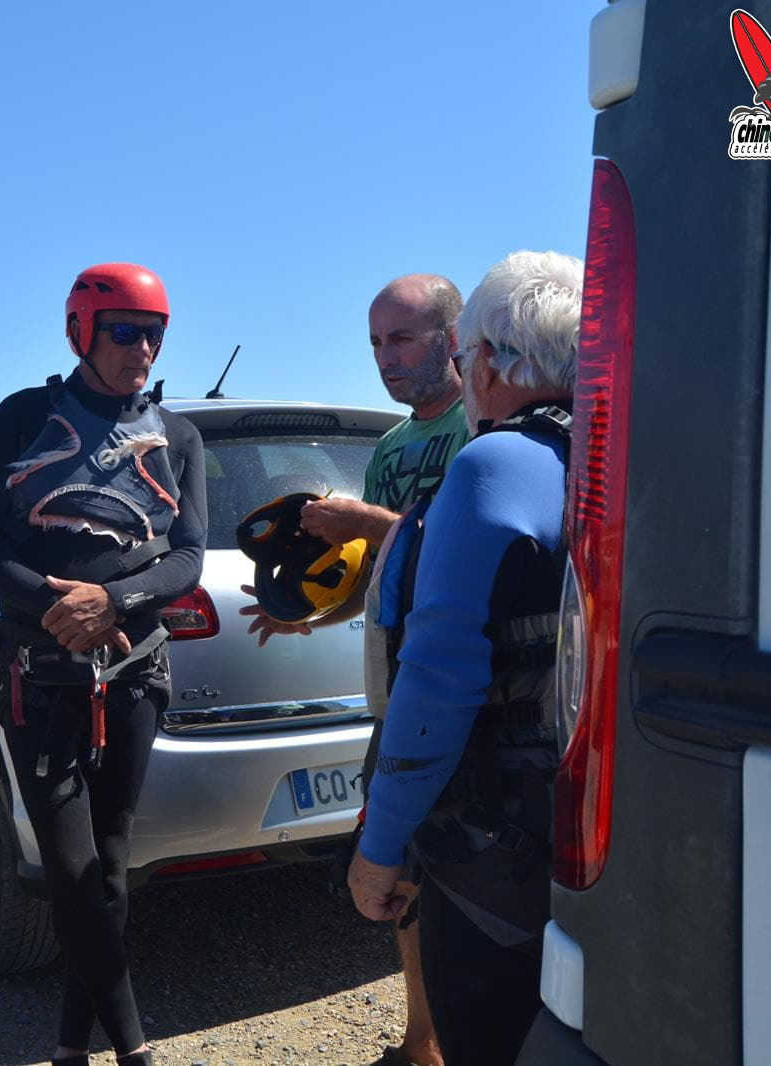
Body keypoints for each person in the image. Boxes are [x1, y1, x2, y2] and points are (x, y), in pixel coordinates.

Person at [0, 263, 207, 1066]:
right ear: (80, 332)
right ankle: (135, 1051)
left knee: (110, 865)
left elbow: (190, 557)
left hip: (134, 677)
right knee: (70, 869)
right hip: (40, 677)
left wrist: (116, 603)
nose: (143, 349)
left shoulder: (179, 436)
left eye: (155, 334)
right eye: (125, 331)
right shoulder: (26, 417)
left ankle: (71, 1046)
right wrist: (54, 608)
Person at [345, 251, 583, 1066]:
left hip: (494, 851)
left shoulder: (493, 464)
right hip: (587, 827)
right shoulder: (606, 459)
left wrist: (381, 847)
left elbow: (439, 677)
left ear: (483, 361)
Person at [240, 273, 468, 1066]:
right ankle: (422, 1041)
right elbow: (381, 573)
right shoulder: (393, 447)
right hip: (396, 692)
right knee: (399, 866)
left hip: (467, 690)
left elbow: (469, 549)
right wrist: (304, 615)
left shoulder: (481, 428)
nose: (385, 357)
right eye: (375, 342)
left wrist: (363, 518)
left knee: (473, 876)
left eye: (401, 338)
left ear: (452, 337)